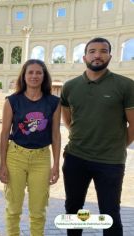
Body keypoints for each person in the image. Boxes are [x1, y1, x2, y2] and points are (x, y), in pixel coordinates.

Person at [60, 37, 134, 236]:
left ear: (110, 55)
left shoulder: (126, 85)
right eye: (92, 51)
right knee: (73, 210)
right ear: (84, 56)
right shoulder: (70, 86)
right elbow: (68, 120)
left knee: (110, 213)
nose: (98, 55)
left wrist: (116, 146)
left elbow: (133, 125)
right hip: (76, 158)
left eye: (103, 51)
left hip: (110, 163)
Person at [0, 59, 61, 236]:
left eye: (38, 72)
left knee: (38, 210)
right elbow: (4, 134)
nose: (34, 76)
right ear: (24, 76)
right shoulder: (12, 101)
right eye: (30, 72)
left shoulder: (53, 102)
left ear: (44, 76)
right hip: (16, 156)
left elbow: (56, 135)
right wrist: (2, 164)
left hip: (41, 159)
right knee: (13, 208)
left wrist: (56, 164)